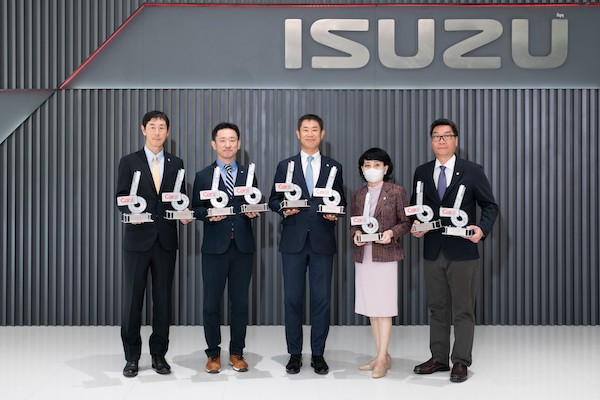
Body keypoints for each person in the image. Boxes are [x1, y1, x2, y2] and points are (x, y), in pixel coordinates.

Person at [410, 118, 498, 383]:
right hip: (432, 249)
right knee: (437, 307)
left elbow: (490, 205)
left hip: (462, 250)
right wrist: (415, 225)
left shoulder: (472, 170)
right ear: (431, 141)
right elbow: (416, 207)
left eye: (446, 136)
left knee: (463, 308)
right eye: (436, 136)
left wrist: (482, 229)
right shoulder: (422, 171)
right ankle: (438, 358)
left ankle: (460, 361)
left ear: (455, 140)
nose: (441, 140)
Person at [115, 110, 192, 378]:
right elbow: (121, 198)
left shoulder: (176, 163)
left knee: (162, 301)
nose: (157, 132)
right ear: (143, 129)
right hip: (137, 240)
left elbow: (180, 198)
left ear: (167, 132)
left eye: (162, 127)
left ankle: (159, 355)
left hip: (166, 241)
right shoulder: (129, 161)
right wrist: (132, 213)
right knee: (132, 300)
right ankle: (132, 357)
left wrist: (184, 213)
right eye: (152, 126)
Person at [268, 113, 346, 375]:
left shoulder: (334, 167)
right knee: (292, 299)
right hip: (293, 241)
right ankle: (294, 354)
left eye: (315, 129)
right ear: (297, 134)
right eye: (305, 129)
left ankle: (319, 354)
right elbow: (273, 199)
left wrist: (336, 213)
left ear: (322, 134)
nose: (310, 133)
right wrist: (283, 208)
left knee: (322, 300)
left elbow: (340, 200)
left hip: (323, 240)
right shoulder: (285, 166)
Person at [191, 122, 259, 374]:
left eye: (232, 140)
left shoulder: (248, 174)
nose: (227, 144)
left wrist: (254, 212)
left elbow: (254, 201)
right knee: (211, 304)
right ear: (214, 144)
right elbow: (196, 208)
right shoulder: (202, 176)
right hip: (214, 248)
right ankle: (212, 353)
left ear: (238, 144)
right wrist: (208, 214)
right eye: (222, 140)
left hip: (243, 247)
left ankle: (237, 352)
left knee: (240, 304)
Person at [350, 148, 411, 379]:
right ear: (361, 169)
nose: (371, 169)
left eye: (377, 165)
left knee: (384, 308)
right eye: (367, 165)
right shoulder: (358, 194)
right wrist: (355, 234)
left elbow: (406, 222)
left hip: (385, 255)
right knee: (372, 309)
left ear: (386, 168)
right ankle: (380, 355)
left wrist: (391, 233)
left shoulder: (396, 191)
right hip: (364, 255)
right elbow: (354, 224)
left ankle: (383, 358)